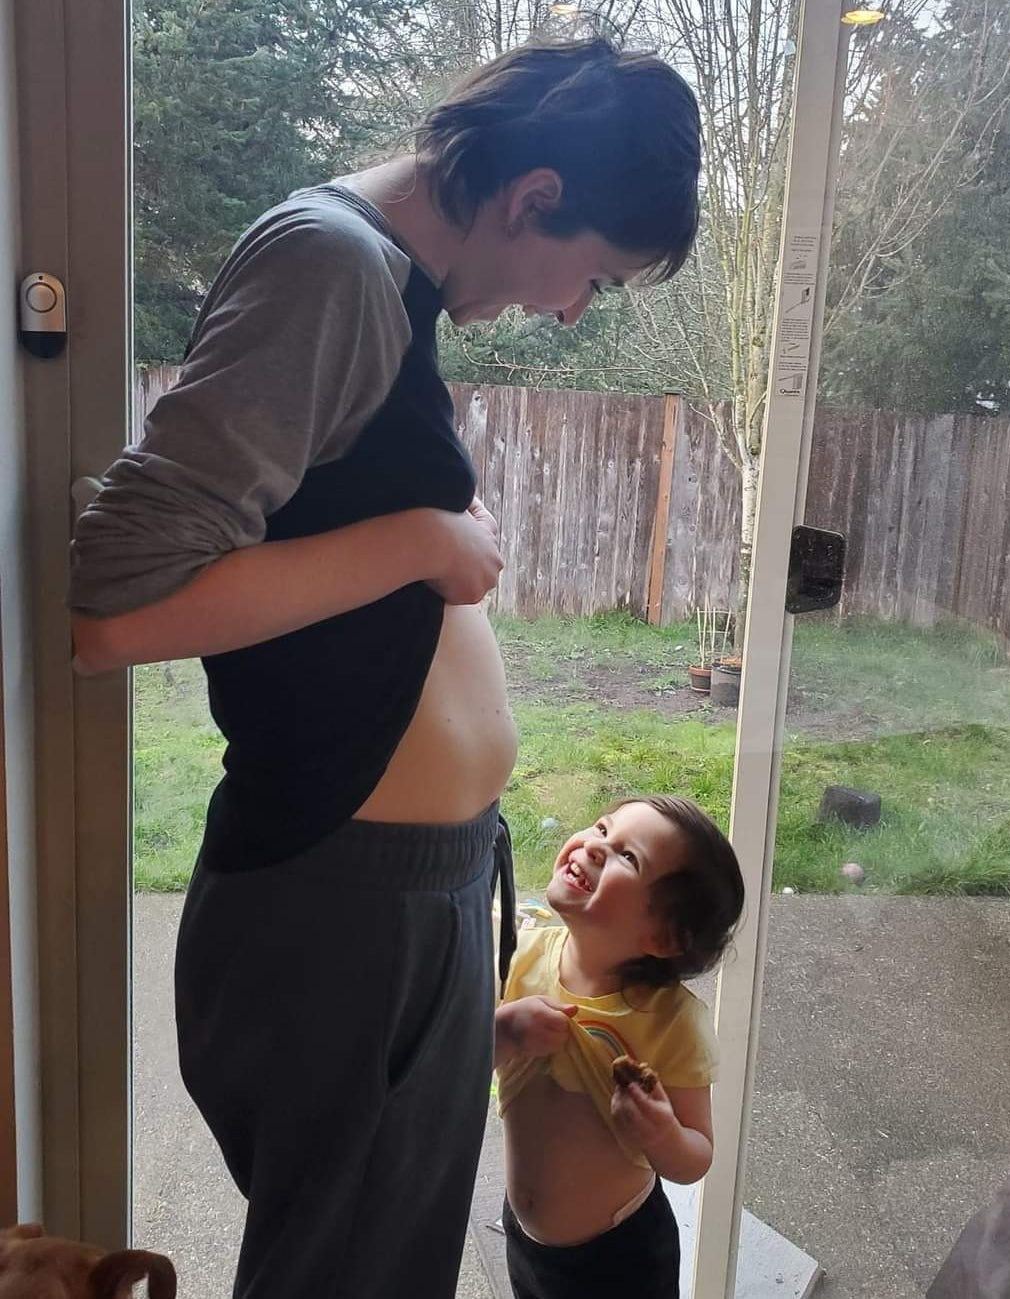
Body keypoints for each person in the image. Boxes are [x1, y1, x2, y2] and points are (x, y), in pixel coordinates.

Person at [69, 37, 702, 1299]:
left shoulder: (381, 283)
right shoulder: (331, 264)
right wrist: (418, 541)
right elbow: (119, 603)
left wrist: (425, 536)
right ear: (533, 196)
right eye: (591, 275)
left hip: (407, 892)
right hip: (343, 902)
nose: (571, 311)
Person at [495, 795, 744, 1299]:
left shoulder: (670, 1023)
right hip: (525, 1237)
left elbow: (695, 1158)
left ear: (664, 937)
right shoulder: (522, 958)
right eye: (602, 828)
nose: (594, 846)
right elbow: (460, 1065)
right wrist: (504, 1031)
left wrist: (662, 1134)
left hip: (619, 1258)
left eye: (628, 857)